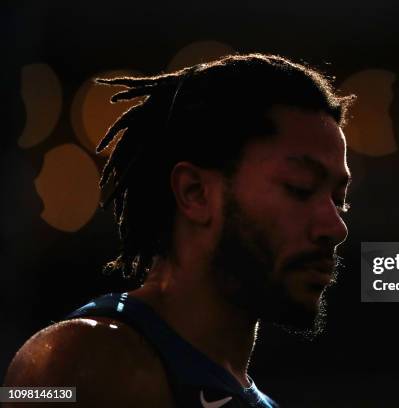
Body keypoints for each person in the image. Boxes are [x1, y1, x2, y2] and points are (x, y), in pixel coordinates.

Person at [3, 53, 354, 407]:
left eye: (339, 200)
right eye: (300, 187)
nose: (335, 226)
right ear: (195, 193)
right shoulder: (76, 364)